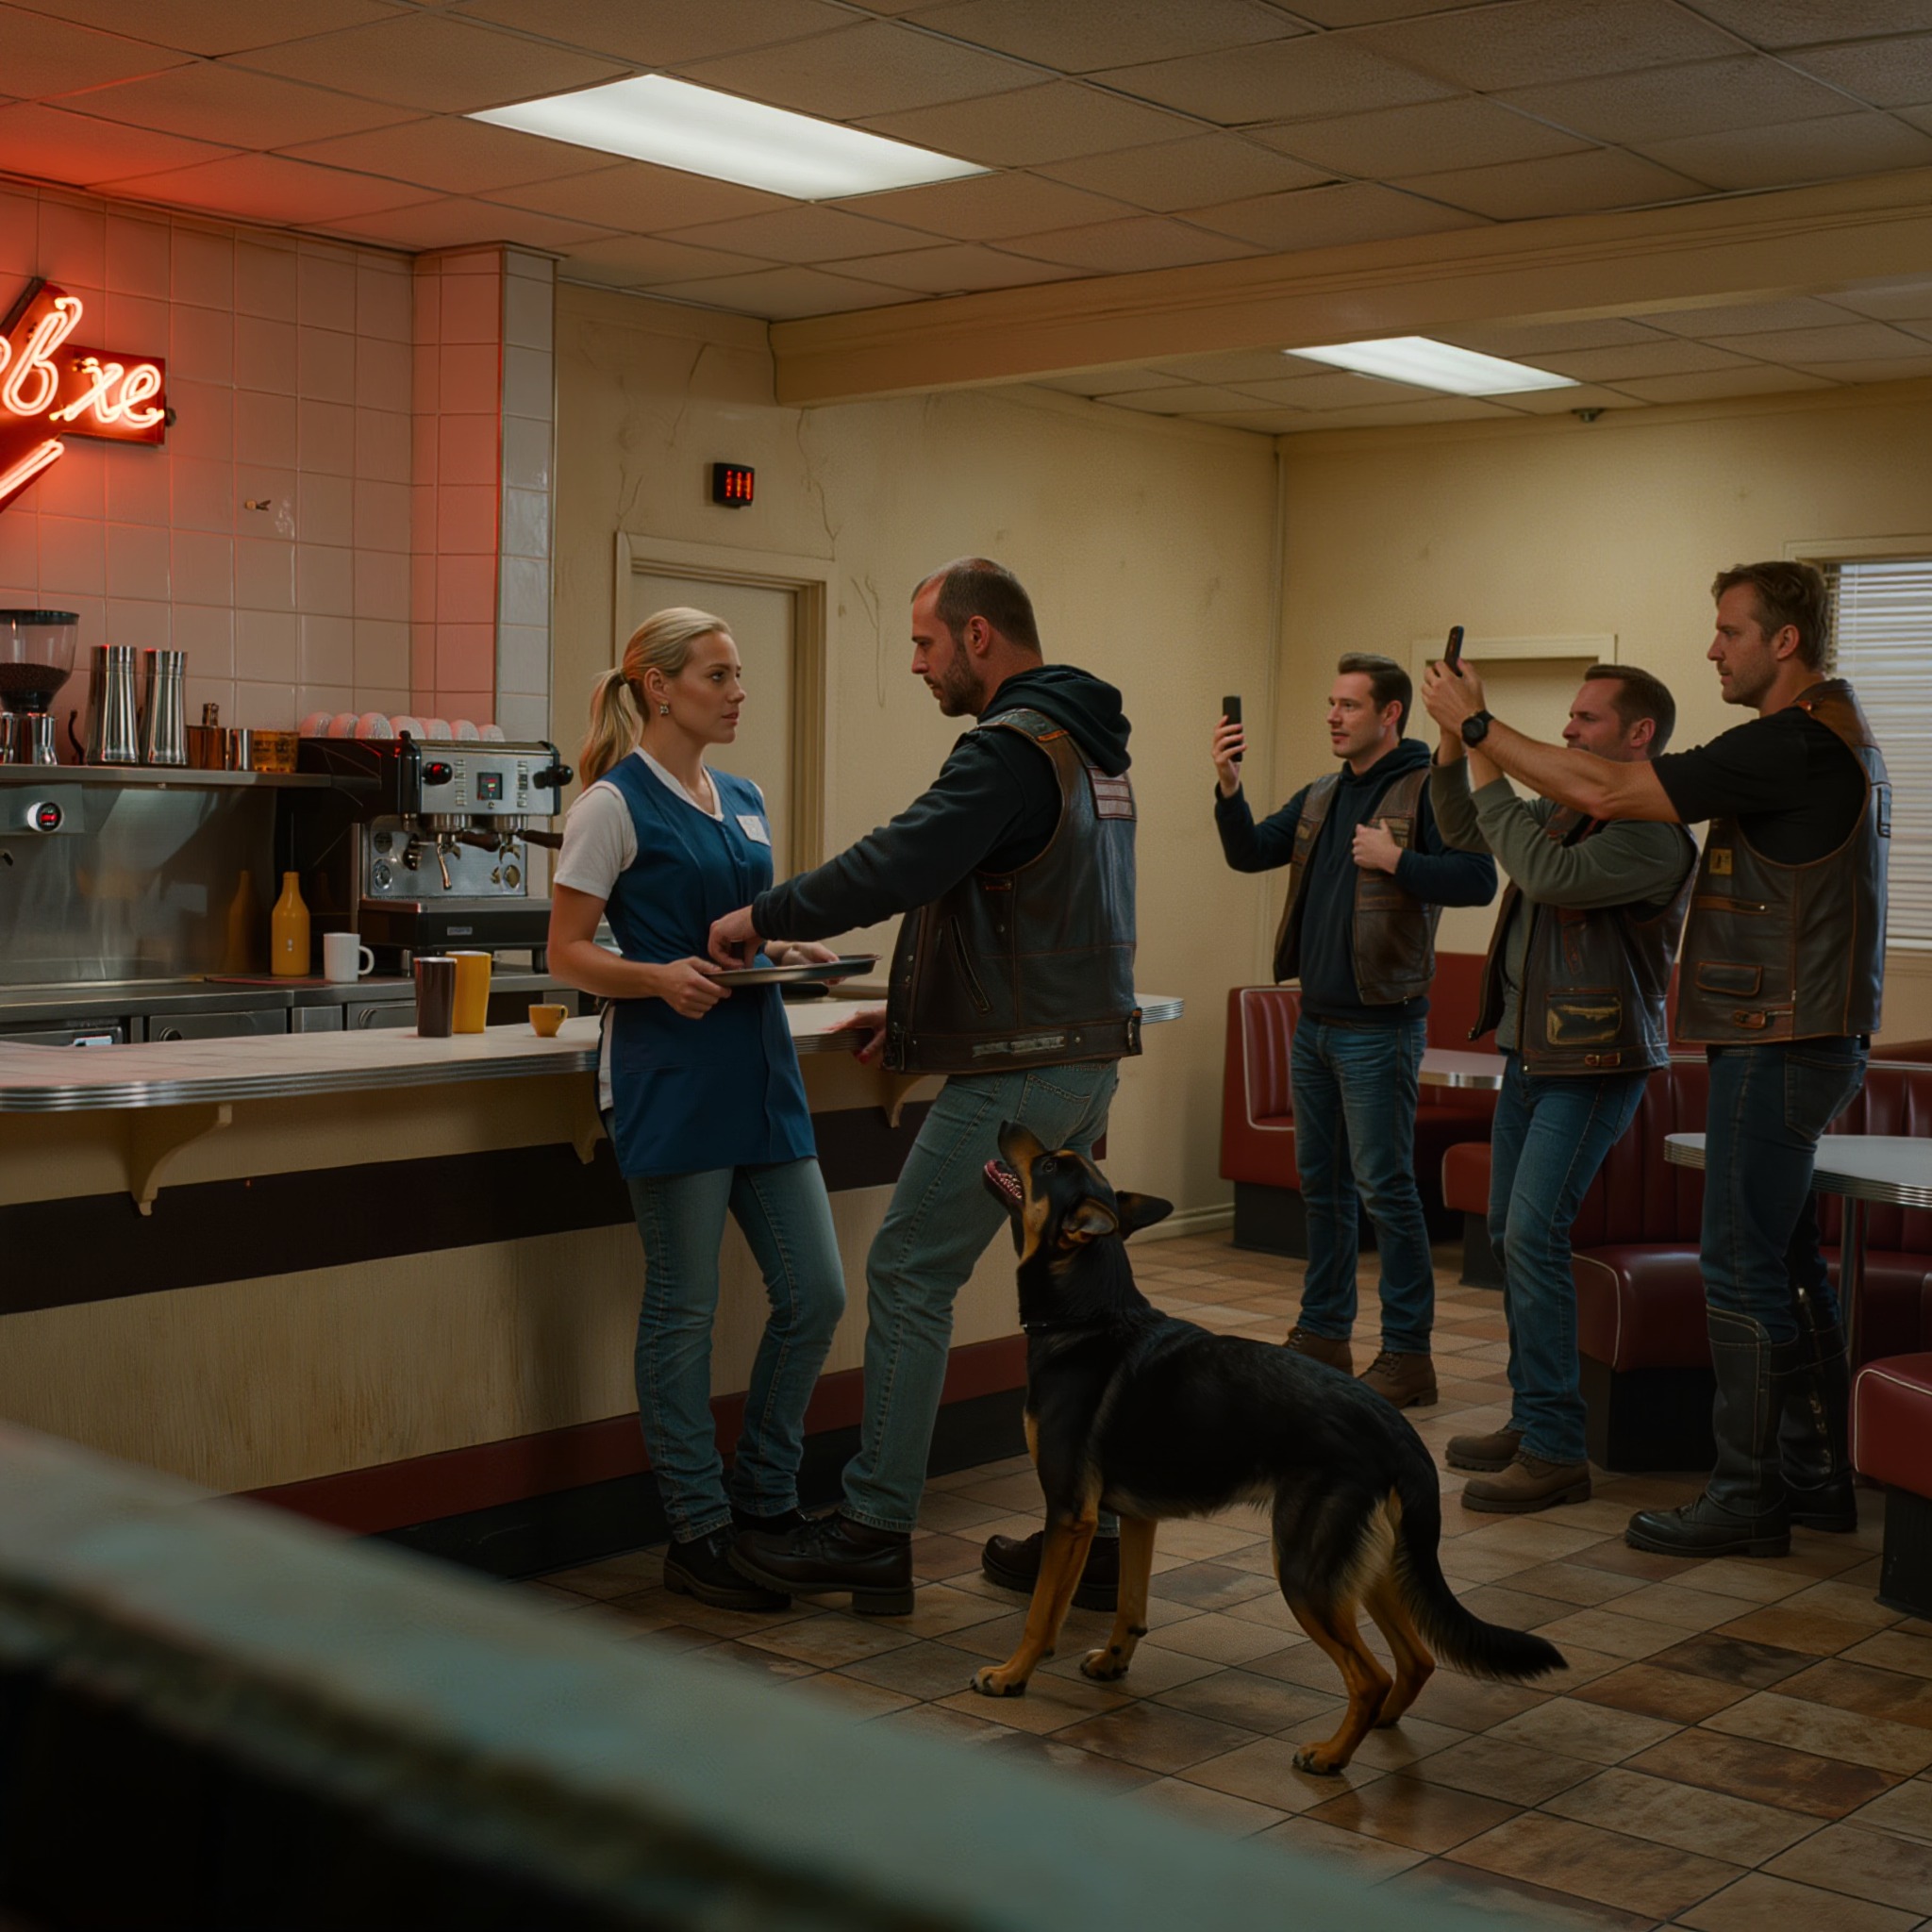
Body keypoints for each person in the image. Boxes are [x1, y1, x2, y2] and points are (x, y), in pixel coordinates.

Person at [1422, 562, 1889, 1558]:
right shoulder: (1827, 739)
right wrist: (1462, 742)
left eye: (1728, 631)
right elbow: (1529, 811)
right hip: (1791, 1033)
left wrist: (1474, 725)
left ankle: (1745, 1493)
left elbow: (1597, 789)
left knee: (1738, 1263)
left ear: (1784, 642)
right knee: (1785, 1257)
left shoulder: (1792, 742)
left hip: (1781, 1038)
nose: (1712, 647)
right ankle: (1807, 1477)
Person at [708, 558, 1138, 1616]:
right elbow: (1015, 904)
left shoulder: (1005, 747)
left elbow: (900, 862)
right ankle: (1097, 1540)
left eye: (922, 643)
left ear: (979, 636)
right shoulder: (1089, 744)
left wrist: (763, 914)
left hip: (1022, 1072)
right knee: (1076, 1301)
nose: (915, 664)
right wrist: (908, 1019)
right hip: (1080, 1058)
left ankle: (870, 1528)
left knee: (904, 1271)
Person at [547, 607, 847, 1612]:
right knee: (682, 1310)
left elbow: (736, 928)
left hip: (758, 1072)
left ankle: (765, 1497)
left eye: (737, 675)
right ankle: (699, 1527)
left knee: (815, 1292)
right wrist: (652, 978)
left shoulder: (744, 797)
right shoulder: (608, 805)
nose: (736, 692)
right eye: (717, 675)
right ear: (659, 685)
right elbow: (568, 953)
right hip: (669, 1075)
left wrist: (784, 945)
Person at [1430, 664, 1695, 1512]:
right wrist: (1451, 748)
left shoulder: (1653, 833)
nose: (1569, 731)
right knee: (1513, 1234)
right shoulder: (1574, 807)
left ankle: (1554, 1447)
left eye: (1586, 719)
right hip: (1535, 1055)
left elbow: (1545, 875)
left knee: (1536, 1237)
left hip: (1595, 1066)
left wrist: (1484, 736)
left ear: (1637, 734)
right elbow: (1471, 832)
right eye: (1571, 717)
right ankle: (1532, 1414)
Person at [1213, 656, 1495, 1408]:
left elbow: (1478, 879)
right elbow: (1247, 853)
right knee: (1325, 1190)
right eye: (1330, 703)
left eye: (1350, 705)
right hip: (1316, 1024)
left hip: (1381, 1028)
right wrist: (1231, 787)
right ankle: (1322, 1333)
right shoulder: (1322, 794)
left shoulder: (1427, 787)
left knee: (1386, 1192)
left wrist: (1398, 859)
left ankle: (1408, 1355)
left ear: (1392, 714)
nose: (1334, 716)